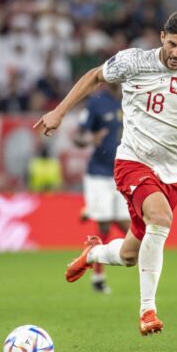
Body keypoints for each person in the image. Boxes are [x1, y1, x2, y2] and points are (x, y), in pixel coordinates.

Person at [34, 10, 177, 335]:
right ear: (162, 37)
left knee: (128, 255)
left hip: (174, 174)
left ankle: (92, 252)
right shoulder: (134, 61)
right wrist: (59, 112)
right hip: (133, 162)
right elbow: (96, 76)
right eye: (172, 44)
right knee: (160, 220)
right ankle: (147, 311)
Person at [74, 83, 130, 294]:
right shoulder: (96, 102)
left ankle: (91, 213)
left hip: (125, 170)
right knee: (107, 223)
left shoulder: (133, 97)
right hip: (99, 173)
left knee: (126, 225)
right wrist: (90, 139)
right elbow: (78, 137)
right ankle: (98, 276)